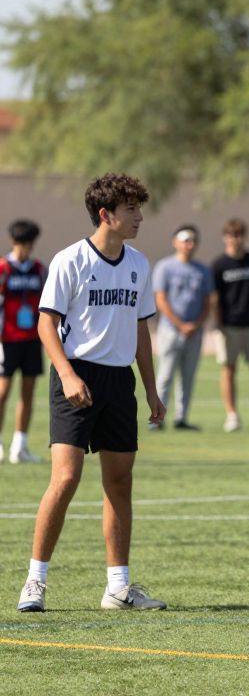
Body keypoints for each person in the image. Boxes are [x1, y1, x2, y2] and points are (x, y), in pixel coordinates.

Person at [17, 172, 167, 613]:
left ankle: (118, 589)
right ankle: (34, 582)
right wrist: (66, 374)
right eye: (131, 209)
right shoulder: (70, 261)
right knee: (64, 480)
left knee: (119, 482)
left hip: (119, 382)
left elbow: (141, 330)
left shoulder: (140, 264)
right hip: (75, 376)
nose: (139, 217)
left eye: (140, 208)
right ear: (106, 215)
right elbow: (47, 323)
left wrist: (151, 391)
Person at [211, 218, 249, 432]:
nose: (235, 239)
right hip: (229, 326)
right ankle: (232, 415)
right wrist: (217, 324)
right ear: (225, 237)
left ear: (244, 237)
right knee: (229, 369)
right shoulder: (219, 265)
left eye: (239, 235)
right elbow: (215, 298)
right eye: (231, 235)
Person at [152, 225, 213, 431]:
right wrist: (180, 324)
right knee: (165, 375)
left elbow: (207, 301)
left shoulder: (203, 270)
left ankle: (181, 418)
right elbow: (161, 299)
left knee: (187, 377)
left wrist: (196, 324)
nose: (190, 244)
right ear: (175, 242)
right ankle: (157, 418)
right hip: (170, 330)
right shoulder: (165, 267)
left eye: (193, 240)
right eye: (185, 240)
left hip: (194, 332)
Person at [0, 219, 46, 464]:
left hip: (31, 340)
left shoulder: (39, 269)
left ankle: (20, 446)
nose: (25, 248)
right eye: (21, 243)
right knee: (2, 392)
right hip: (6, 340)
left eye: (29, 243)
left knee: (27, 393)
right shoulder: (3, 268)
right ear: (13, 242)